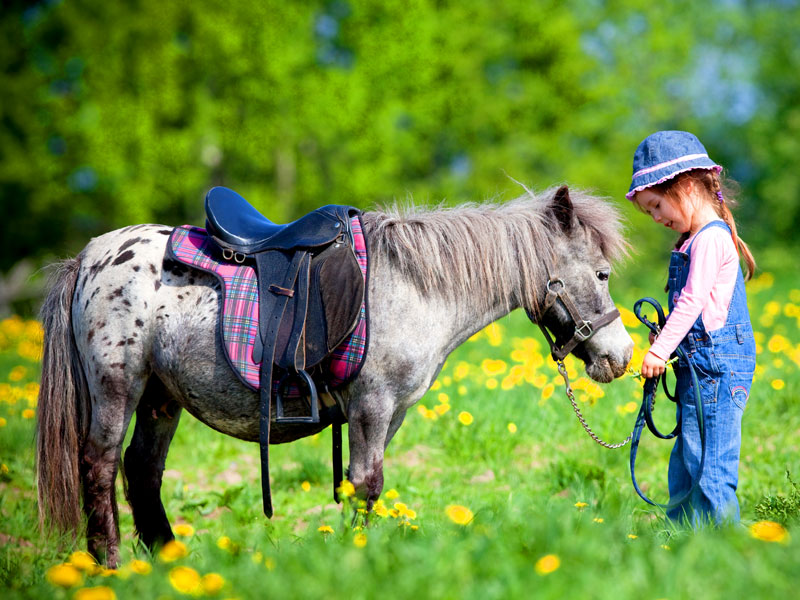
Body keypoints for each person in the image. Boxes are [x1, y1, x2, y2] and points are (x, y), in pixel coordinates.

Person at [626, 130, 757, 526]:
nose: (657, 217)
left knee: (710, 465)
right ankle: (682, 536)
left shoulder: (711, 239)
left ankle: (721, 543)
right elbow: (694, 313)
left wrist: (659, 350)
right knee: (686, 459)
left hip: (716, 371)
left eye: (657, 205)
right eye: (650, 212)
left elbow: (693, 301)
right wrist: (668, 336)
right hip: (697, 369)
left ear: (684, 185)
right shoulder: (691, 240)